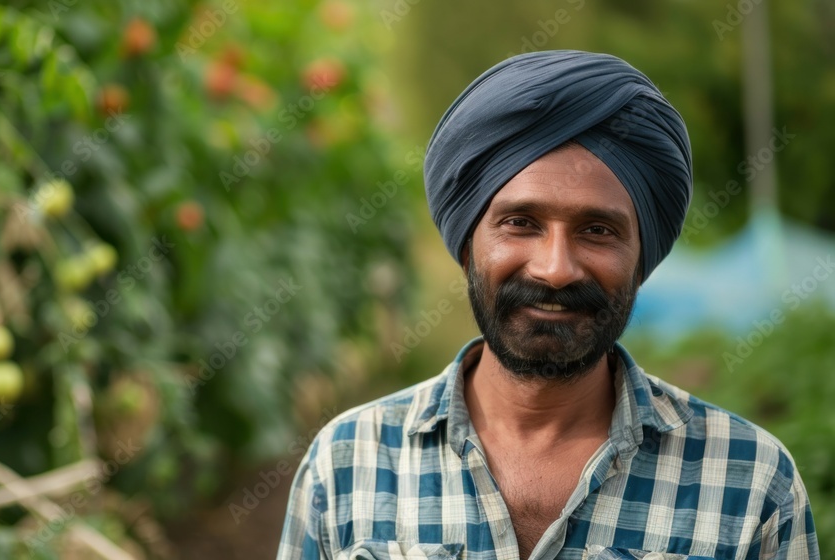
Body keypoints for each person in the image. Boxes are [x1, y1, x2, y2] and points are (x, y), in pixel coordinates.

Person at [277, 50, 819, 560]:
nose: (556, 269)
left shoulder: (752, 483)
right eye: (520, 223)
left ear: (641, 258)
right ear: (467, 247)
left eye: (598, 230)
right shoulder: (346, 463)